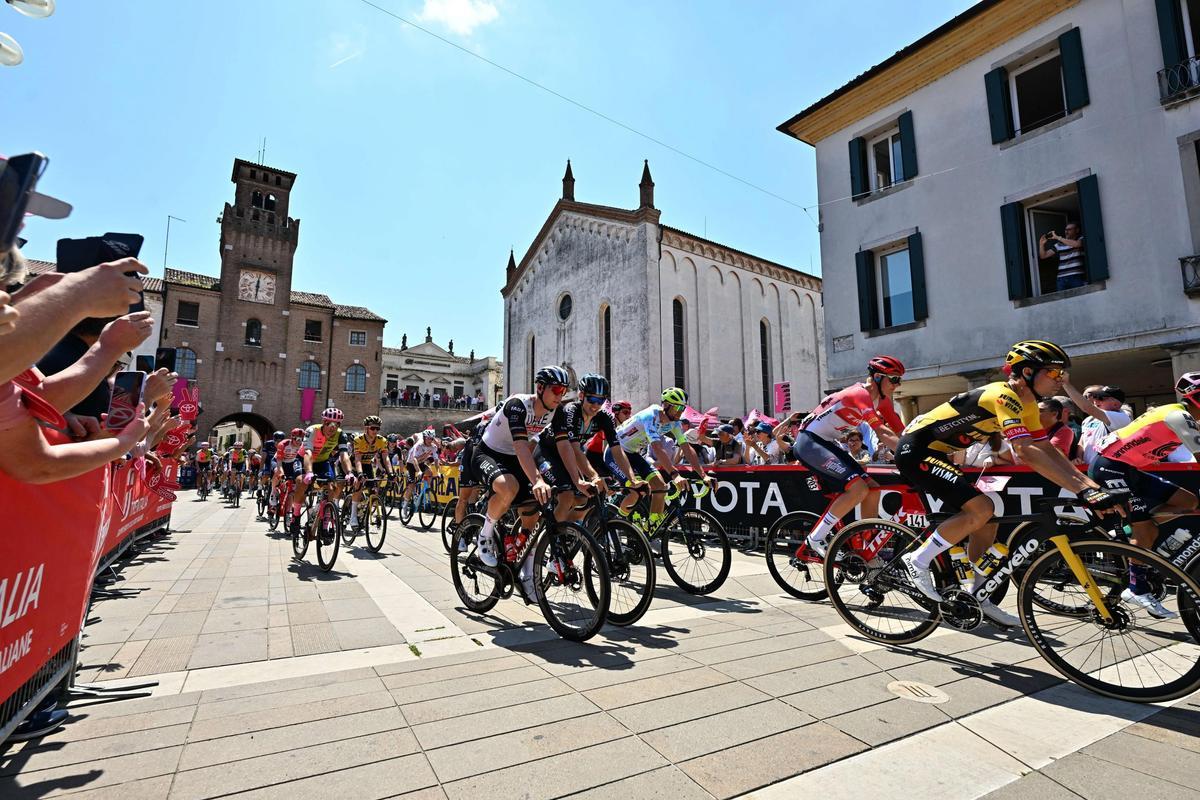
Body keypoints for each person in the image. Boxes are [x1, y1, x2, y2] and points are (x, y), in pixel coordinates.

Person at [897, 340, 1121, 627]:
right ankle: (917, 561)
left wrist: (1090, 484)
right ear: (1027, 372)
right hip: (916, 450)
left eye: (1062, 375)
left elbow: (1048, 449)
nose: (1061, 381)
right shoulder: (1003, 396)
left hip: (938, 453)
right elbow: (1026, 451)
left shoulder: (1028, 404)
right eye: (1054, 374)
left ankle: (978, 593)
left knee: (988, 521)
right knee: (982, 508)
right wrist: (1081, 490)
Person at [1089, 373, 1200, 617]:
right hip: (1110, 467)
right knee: (1147, 531)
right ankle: (1136, 588)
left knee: (1190, 502)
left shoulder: (1184, 416)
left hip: (1129, 469)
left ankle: (1132, 532)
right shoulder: (1178, 415)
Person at [797, 355, 906, 558]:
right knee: (858, 488)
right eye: (894, 379)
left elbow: (901, 431)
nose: (897, 385)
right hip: (809, 441)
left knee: (872, 488)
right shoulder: (859, 394)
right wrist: (908, 453)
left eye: (899, 380)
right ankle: (816, 538)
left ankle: (867, 548)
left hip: (827, 443)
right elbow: (882, 431)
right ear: (877, 377)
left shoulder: (882, 401)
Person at [472, 366, 570, 571]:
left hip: (514, 457)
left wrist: (578, 480)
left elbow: (564, 445)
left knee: (535, 506)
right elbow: (520, 445)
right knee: (509, 487)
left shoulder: (557, 411)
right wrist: (537, 480)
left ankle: (525, 566)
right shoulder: (518, 405)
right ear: (540, 388)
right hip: (489, 452)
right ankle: (485, 534)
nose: (560, 395)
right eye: (556, 390)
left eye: (564, 390)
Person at [605, 387, 716, 531]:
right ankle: (616, 524)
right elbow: (657, 447)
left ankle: (649, 528)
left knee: (661, 487)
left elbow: (686, 448)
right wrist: (674, 474)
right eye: (676, 407)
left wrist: (703, 475)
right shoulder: (650, 416)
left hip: (633, 453)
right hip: (615, 453)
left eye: (682, 408)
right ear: (666, 405)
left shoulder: (675, 423)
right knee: (637, 490)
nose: (679, 412)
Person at [290, 408, 353, 538]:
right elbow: (308, 453)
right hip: (304, 460)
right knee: (302, 482)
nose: (332, 426)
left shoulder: (341, 434)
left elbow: (344, 455)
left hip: (323, 462)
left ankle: (325, 522)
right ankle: (295, 516)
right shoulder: (312, 430)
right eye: (329, 423)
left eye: (337, 424)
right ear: (323, 422)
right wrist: (309, 472)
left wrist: (349, 473)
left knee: (332, 487)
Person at [350, 415, 393, 530]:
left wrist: (391, 472)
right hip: (355, 465)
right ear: (366, 428)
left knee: (374, 489)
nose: (375, 431)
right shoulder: (358, 440)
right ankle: (353, 515)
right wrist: (359, 474)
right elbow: (358, 460)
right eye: (372, 428)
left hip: (368, 464)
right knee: (358, 485)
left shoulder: (381, 441)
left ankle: (364, 510)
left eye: (377, 429)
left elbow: (386, 458)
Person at [1038, 222, 1086, 292]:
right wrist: (1041, 244)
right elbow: (1043, 256)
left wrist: (1057, 237)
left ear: (1077, 230)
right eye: (1066, 230)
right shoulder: (1059, 244)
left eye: (1069, 229)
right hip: (1061, 278)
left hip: (1076, 276)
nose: (1066, 231)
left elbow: (1077, 244)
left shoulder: (1080, 239)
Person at [403, 428, 440, 513]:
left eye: (431, 438)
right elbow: (415, 460)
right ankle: (405, 504)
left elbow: (436, 460)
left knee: (430, 473)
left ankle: (426, 490)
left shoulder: (433, 447)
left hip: (421, 463)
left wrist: (438, 472)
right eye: (428, 438)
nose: (429, 440)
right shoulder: (419, 445)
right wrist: (419, 471)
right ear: (424, 437)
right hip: (411, 463)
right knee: (411, 485)